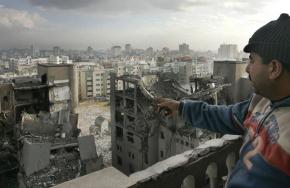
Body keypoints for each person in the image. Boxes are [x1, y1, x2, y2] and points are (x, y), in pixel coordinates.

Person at [157, 13, 290, 188]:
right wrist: (181, 108)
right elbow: (226, 115)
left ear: (274, 68)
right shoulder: (262, 102)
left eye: (252, 60)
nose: (248, 68)